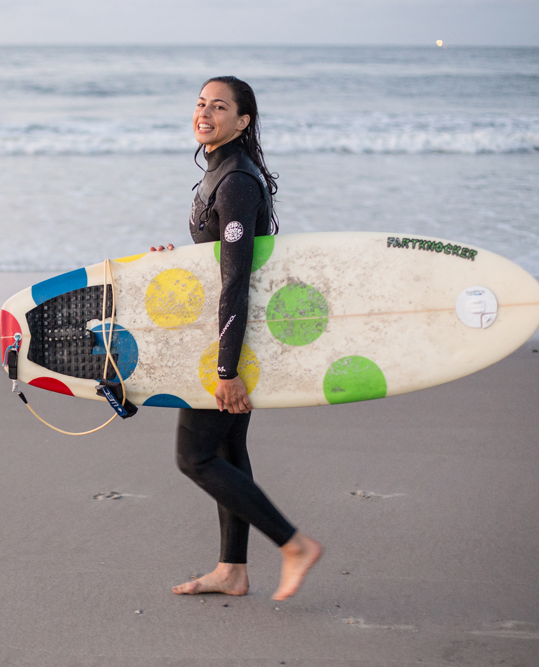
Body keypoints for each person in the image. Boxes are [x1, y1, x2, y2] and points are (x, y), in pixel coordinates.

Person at [151, 76, 322, 601]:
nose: (205, 113)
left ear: (243, 120)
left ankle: (293, 544)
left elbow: (237, 280)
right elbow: (217, 264)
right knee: (225, 449)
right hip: (228, 334)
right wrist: (176, 262)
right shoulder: (219, 173)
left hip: (230, 343)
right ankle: (232, 571)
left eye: (219, 106)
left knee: (195, 458)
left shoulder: (237, 181)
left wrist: (227, 372)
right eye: (201, 103)